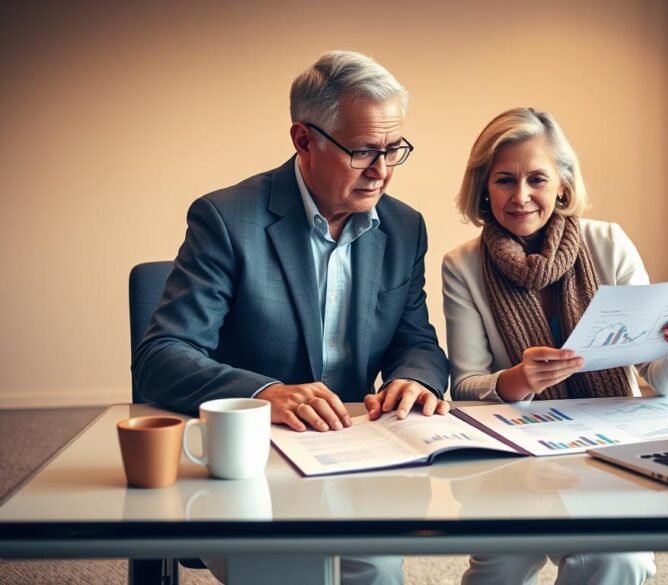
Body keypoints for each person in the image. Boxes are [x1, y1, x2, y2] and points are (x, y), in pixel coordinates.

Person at [132, 50, 449, 585]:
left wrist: (413, 377)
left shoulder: (404, 227)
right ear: (304, 140)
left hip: (354, 453)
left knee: (376, 573)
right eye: (364, 151)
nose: (382, 171)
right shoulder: (226, 218)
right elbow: (162, 357)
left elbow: (416, 339)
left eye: (395, 150)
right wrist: (265, 394)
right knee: (289, 571)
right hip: (250, 463)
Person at [442, 107, 668, 585]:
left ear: (563, 186)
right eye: (505, 180)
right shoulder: (462, 265)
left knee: (622, 560)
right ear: (484, 189)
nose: (522, 196)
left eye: (537, 179)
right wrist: (518, 380)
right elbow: (466, 388)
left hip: (612, 440)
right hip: (517, 449)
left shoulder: (609, 243)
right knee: (500, 572)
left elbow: (655, 377)